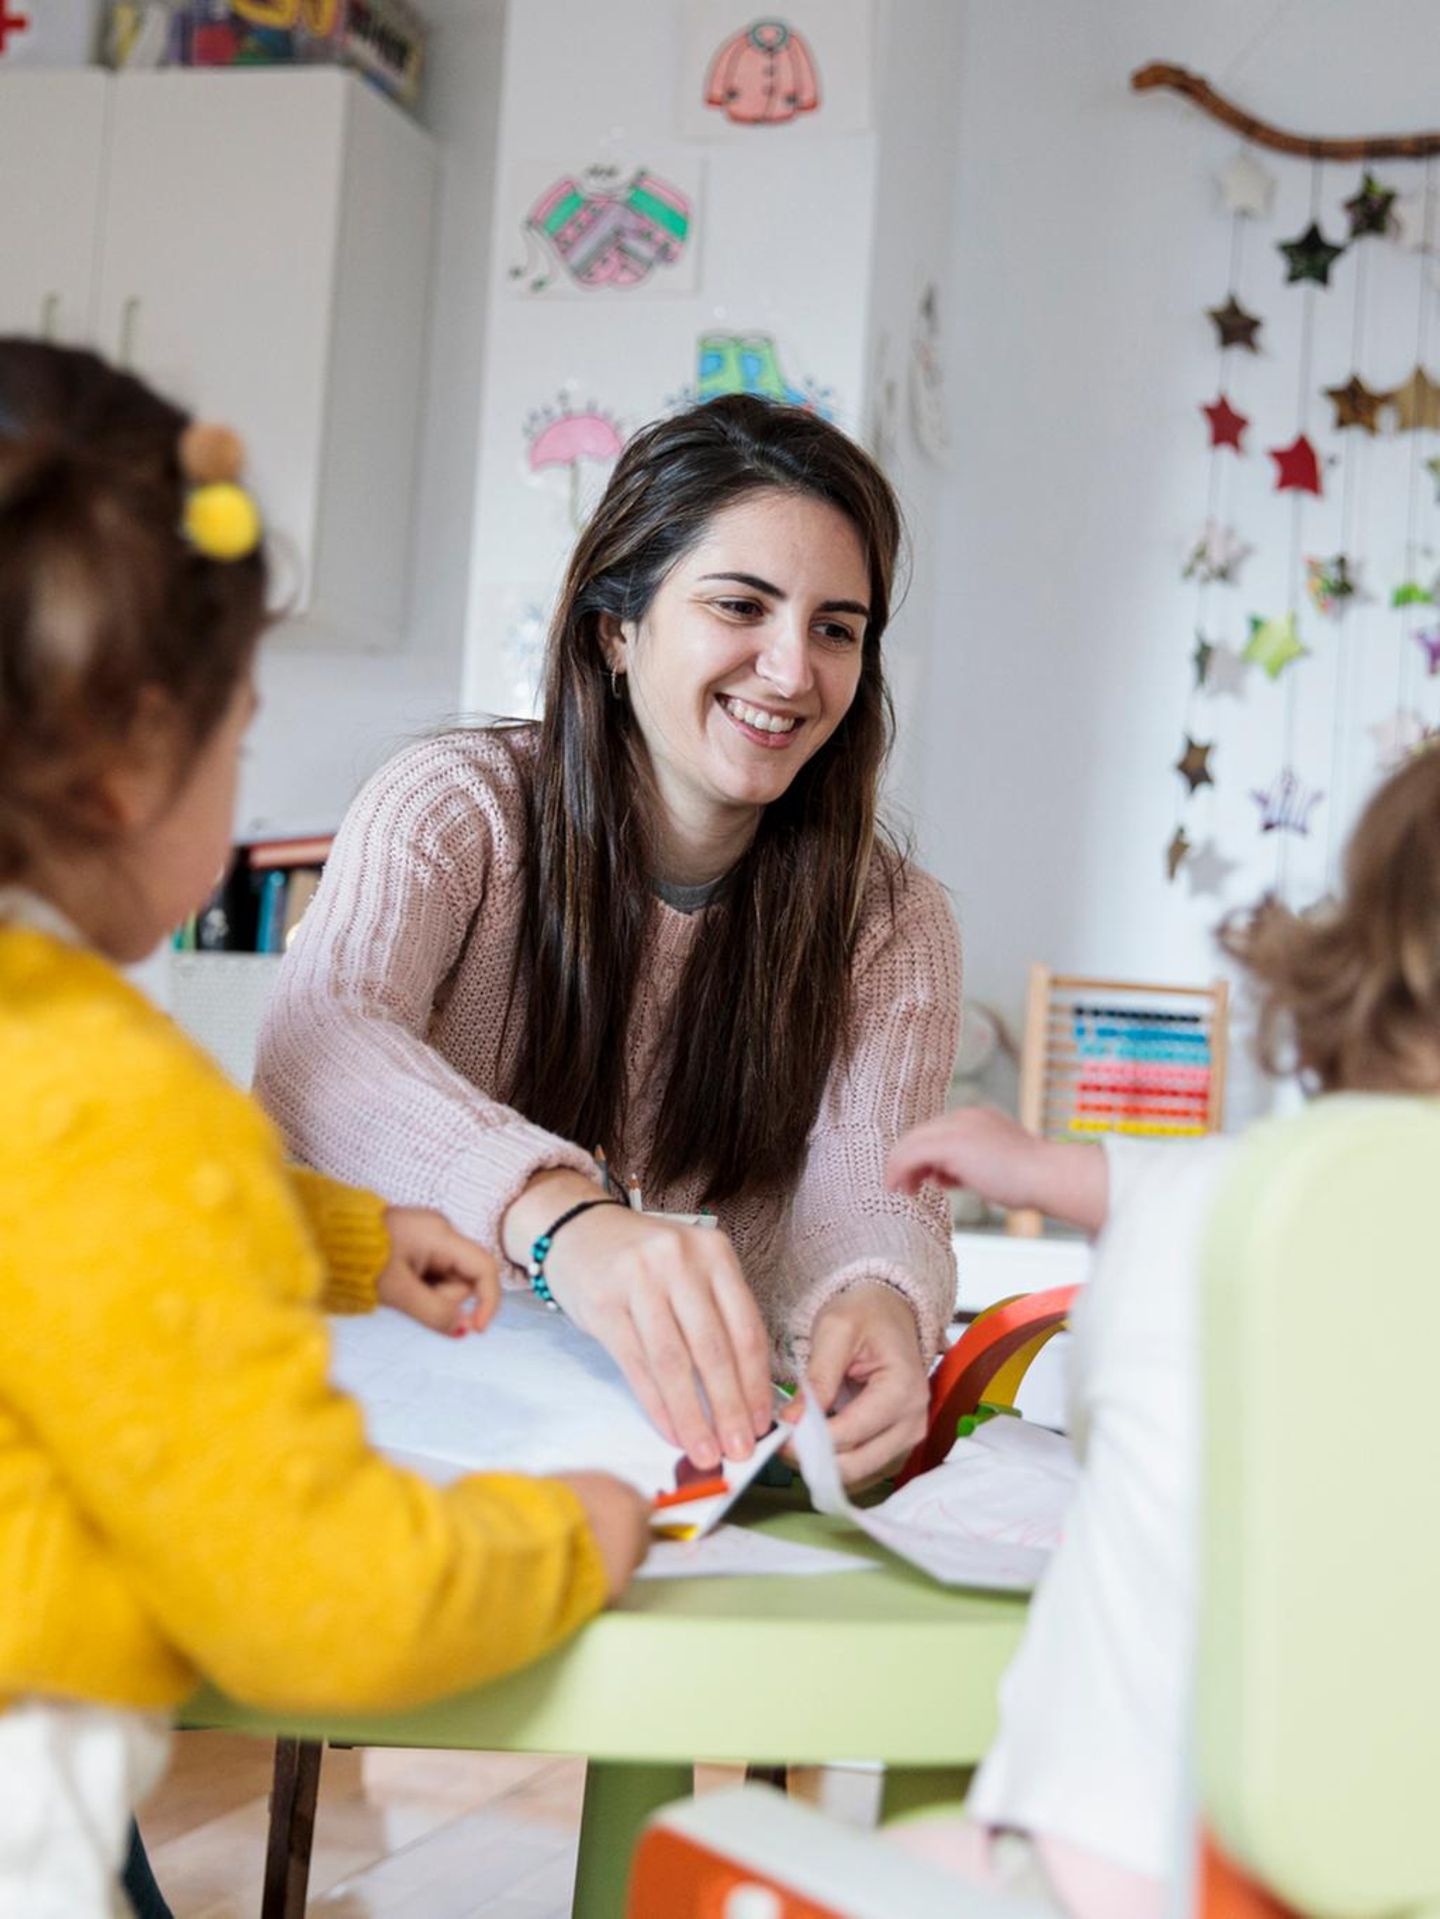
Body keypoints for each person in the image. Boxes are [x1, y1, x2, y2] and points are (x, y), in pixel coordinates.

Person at [0, 338, 648, 1915]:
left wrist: (344, 1238)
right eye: (241, 732)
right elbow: (310, 1593)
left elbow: (54, 1240)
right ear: (130, 757)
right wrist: (562, 1533)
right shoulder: (112, 1090)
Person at [256, 395, 962, 1488]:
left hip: (672, 1464)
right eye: (742, 605)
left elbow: (872, 1192)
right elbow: (322, 1041)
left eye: (836, 627)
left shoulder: (892, 921)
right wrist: (562, 1220)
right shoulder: (456, 807)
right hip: (379, 1429)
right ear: (615, 630)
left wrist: (877, 1293)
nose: (791, 670)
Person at [883, 742, 1440, 1919]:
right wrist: (1068, 1171)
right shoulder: (1229, 1210)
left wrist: (1070, 1180)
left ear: (1368, 963)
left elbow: (1221, 1203)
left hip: (1141, 1869)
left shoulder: (1227, 1225)